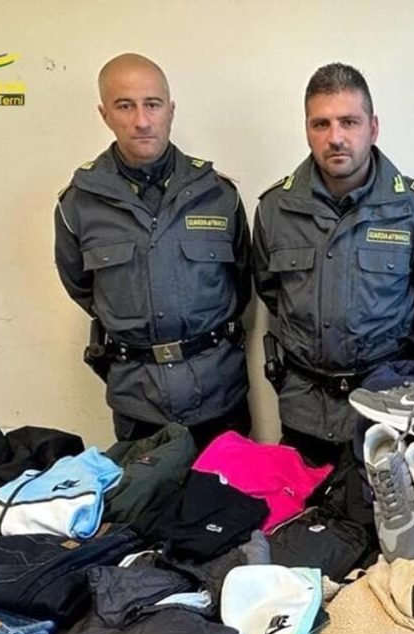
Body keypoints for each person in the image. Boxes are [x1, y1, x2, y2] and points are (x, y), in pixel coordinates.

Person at [254, 63, 414, 466]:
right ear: (307, 130)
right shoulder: (274, 210)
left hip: (384, 410)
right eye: (321, 124)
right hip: (302, 409)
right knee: (296, 505)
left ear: (373, 127)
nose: (335, 138)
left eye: (349, 122)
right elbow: (271, 292)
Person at [54, 53, 252, 449]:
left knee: (232, 490)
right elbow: (82, 288)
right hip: (138, 402)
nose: (142, 121)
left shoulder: (218, 194)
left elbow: (243, 281)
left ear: (170, 110)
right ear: (104, 114)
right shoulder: (78, 204)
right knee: (145, 492)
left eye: (153, 104)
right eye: (125, 106)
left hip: (220, 395)